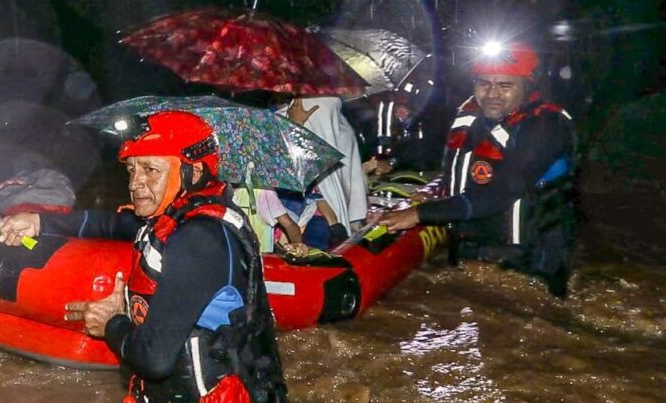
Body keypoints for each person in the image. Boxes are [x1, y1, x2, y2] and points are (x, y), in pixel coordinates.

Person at [0, 111, 308, 403]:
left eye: (150, 170)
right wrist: (39, 221)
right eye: (130, 170)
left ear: (192, 173)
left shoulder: (201, 241)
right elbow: (109, 225)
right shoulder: (171, 219)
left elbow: (154, 358)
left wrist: (111, 322)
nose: (136, 183)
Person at [373, 42, 576, 297]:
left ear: (527, 86)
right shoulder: (470, 115)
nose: (492, 94)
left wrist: (420, 213)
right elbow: (436, 153)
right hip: (470, 249)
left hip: (527, 261)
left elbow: (502, 191)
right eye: (484, 83)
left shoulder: (546, 126)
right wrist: (392, 163)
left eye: (505, 85)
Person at [285, 97, 369, 248]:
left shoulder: (319, 121)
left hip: (315, 222)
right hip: (332, 220)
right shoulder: (343, 129)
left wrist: (295, 126)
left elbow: (294, 168)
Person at [231, 186, 309, 256]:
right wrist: (297, 244)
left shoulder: (228, 190)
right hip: (261, 257)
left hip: (237, 255)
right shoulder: (265, 192)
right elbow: (289, 224)